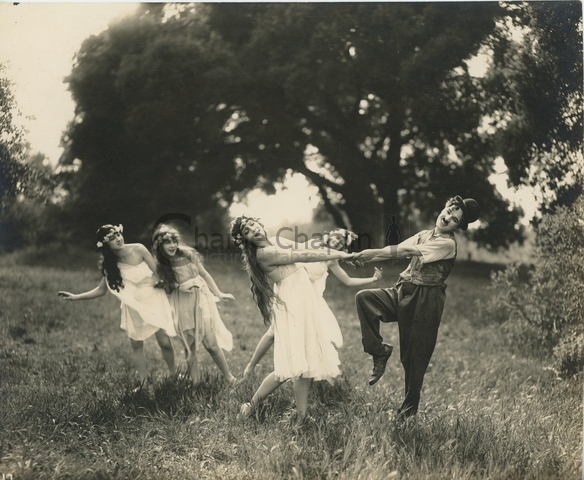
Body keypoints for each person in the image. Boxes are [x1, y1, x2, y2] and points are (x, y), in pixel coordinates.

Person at [352, 196, 479, 418]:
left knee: (414, 358)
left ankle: (408, 412)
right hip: (404, 289)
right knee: (365, 299)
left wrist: (370, 254)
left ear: (458, 227)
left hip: (426, 300)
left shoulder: (447, 243)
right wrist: (368, 255)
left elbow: (407, 252)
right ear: (444, 207)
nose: (448, 218)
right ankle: (379, 351)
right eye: (449, 210)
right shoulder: (423, 235)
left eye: (455, 220)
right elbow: (396, 248)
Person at [230, 216, 354, 421]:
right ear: (247, 240)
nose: (254, 230)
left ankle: (299, 415)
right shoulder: (265, 253)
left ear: (260, 224)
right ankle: (253, 407)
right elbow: (303, 255)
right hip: (293, 301)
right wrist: (342, 255)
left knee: (300, 361)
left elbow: (302, 246)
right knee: (292, 364)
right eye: (247, 232)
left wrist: (330, 247)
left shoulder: (275, 240)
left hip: (303, 296)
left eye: (253, 225)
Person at [242, 228, 383, 379]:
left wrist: (372, 279)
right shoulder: (314, 245)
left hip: (310, 296)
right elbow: (301, 252)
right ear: (329, 236)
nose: (336, 241)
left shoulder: (332, 260)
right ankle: (251, 367)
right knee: (273, 333)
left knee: (312, 336)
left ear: (343, 247)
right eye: (335, 237)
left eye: (340, 241)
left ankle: (311, 372)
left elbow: (348, 280)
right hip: (293, 291)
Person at [57, 224, 177, 383]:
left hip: (153, 297)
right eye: (112, 238)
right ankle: (143, 383)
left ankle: (174, 375)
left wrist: (167, 283)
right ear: (106, 244)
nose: (118, 239)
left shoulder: (138, 249)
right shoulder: (110, 265)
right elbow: (101, 290)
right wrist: (76, 297)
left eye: (118, 235)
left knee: (165, 342)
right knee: (136, 344)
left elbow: (158, 272)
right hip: (133, 303)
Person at [151, 225, 237, 384]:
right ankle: (196, 382)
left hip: (201, 297)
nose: (172, 246)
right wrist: (180, 286)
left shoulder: (188, 254)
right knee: (189, 345)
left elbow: (204, 274)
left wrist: (218, 293)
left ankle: (229, 377)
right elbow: (165, 288)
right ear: (159, 246)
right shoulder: (160, 266)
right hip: (181, 302)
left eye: (174, 241)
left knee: (210, 343)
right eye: (167, 243)